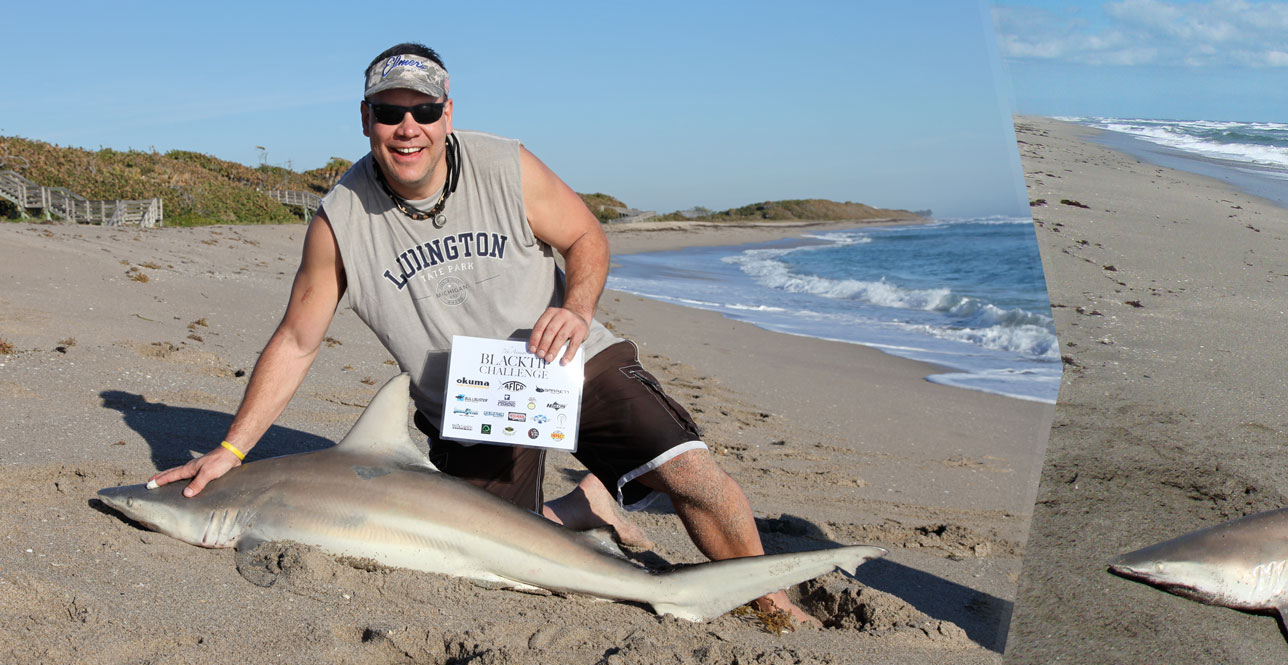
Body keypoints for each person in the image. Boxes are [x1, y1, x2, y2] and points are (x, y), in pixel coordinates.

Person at [149, 43, 815, 625]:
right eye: (389, 112)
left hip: (565, 360)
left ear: (448, 114)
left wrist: (578, 309)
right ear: (365, 120)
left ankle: (772, 605)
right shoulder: (340, 220)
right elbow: (297, 339)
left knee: (691, 472)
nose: (407, 127)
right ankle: (587, 505)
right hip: (474, 405)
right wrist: (232, 451)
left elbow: (586, 236)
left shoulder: (505, 165)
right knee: (489, 554)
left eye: (424, 110)